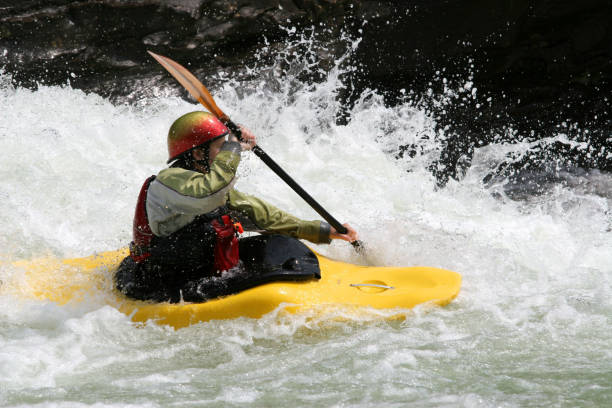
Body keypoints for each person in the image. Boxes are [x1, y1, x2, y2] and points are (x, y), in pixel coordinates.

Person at [118, 111, 358, 302]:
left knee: (281, 245)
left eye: (225, 147)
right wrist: (233, 146)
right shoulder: (169, 183)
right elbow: (208, 193)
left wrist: (321, 231)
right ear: (199, 154)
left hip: (204, 269)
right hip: (166, 281)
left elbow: (261, 215)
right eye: (219, 147)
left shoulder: (204, 182)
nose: (224, 152)